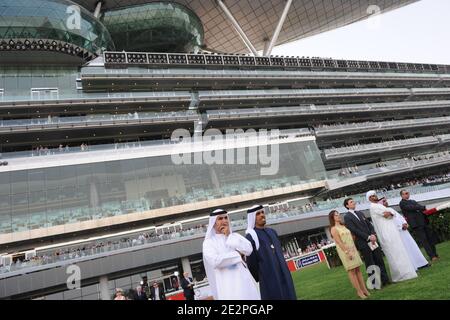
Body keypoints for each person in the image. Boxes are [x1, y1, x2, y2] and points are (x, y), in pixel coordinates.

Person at [202, 209, 260, 300]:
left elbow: (249, 249)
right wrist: (237, 255)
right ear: (213, 223)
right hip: (227, 285)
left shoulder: (235, 236)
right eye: (220, 219)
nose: (224, 221)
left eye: (225, 218)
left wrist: (229, 236)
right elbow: (215, 261)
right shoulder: (208, 243)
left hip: (244, 281)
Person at [245, 205, 297, 300]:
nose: (262, 215)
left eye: (262, 212)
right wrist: (264, 275)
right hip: (269, 279)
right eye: (258, 214)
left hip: (284, 274)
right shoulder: (251, 237)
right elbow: (252, 264)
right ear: (252, 218)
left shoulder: (272, 232)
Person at [367, 191, 417, 282]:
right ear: (369, 198)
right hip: (386, 232)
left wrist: (390, 213)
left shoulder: (379, 205)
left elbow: (390, 213)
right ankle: (401, 274)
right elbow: (387, 214)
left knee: (400, 250)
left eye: (375, 195)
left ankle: (407, 272)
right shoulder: (373, 206)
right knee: (394, 253)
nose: (374, 196)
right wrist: (390, 213)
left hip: (391, 230)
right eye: (372, 196)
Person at [343, 198, 390, 287]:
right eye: (351, 202)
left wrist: (372, 234)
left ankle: (385, 280)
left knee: (379, 260)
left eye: (354, 201)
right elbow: (354, 230)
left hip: (372, 240)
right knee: (370, 263)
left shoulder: (360, 213)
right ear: (347, 205)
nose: (354, 202)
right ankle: (375, 284)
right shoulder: (347, 217)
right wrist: (368, 237)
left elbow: (369, 224)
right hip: (363, 243)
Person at [329, 210, 369, 299]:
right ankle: (359, 292)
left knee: (358, 270)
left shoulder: (344, 226)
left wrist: (353, 248)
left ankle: (364, 289)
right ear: (332, 218)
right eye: (336, 215)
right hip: (344, 251)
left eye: (338, 214)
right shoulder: (333, 229)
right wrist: (347, 252)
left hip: (353, 248)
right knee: (352, 271)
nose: (338, 216)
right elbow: (339, 242)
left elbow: (351, 237)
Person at [381, 198, 429, 270]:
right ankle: (413, 266)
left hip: (404, 232)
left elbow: (400, 217)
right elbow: (390, 223)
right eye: (384, 201)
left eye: (386, 201)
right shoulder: (383, 212)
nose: (386, 202)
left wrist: (405, 223)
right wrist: (400, 227)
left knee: (413, 247)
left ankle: (421, 263)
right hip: (398, 234)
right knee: (406, 250)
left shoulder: (391, 209)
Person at [399, 190, 439, 262]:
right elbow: (412, 208)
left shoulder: (413, 201)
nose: (407, 194)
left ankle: (435, 254)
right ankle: (432, 256)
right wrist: (419, 207)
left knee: (430, 238)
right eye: (405, 193)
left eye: (408, 193)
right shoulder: (402, 203)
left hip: (423, 221)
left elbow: (418, 207)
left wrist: (419, 207)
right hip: (416, 224)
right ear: (402, 195)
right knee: (424, 240)